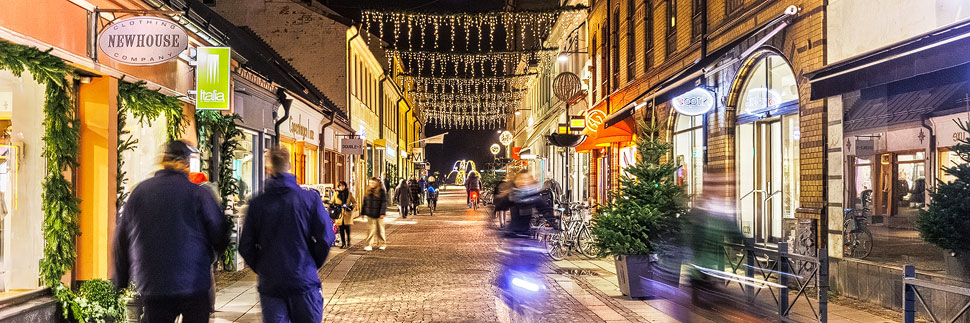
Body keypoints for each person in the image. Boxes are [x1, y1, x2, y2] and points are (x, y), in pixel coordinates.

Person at [114, 140, 229, 323]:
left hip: (154, 284)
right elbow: (219, 232)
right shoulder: (198, 194)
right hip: (194, 282)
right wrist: (210, 256)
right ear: (185, 163)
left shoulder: (140, 193)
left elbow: (122, 240)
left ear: (163, 161)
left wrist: (121, 280)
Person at [239, 147, 335, 323]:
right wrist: (312, 262)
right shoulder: (309, 199)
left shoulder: (258, 203)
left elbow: (245, 245)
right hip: (303, 280)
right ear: (290, 166)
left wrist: (262, 267)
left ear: (268, 169)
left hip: (271, 283)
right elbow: (326, 237)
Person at [361, 177, 388, 251]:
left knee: (380, 230)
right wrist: (363, 212)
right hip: (370, 214)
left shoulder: (381, 191)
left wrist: (382, 213)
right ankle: (369, 244)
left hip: (379, 214)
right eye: (370, 183)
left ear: (376, 183)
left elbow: (384, 203)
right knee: (370, 230)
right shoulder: (367, 191)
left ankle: (382, 244)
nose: (371, 184)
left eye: (373, 182)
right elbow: (364, 202)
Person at [331, 181, 357, 249]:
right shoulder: (336, 194)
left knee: (347, 229)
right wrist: (334, 206)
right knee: (341, 229)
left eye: (343, 186)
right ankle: (343, 243)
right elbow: (332, 202)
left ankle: (348, 240)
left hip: (347, 214)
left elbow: (354, 203)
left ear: (345, 186)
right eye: (340, 186)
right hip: (339, 214)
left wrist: (351, 208)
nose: (342, 187)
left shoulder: (349, 194)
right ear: (338, 187)